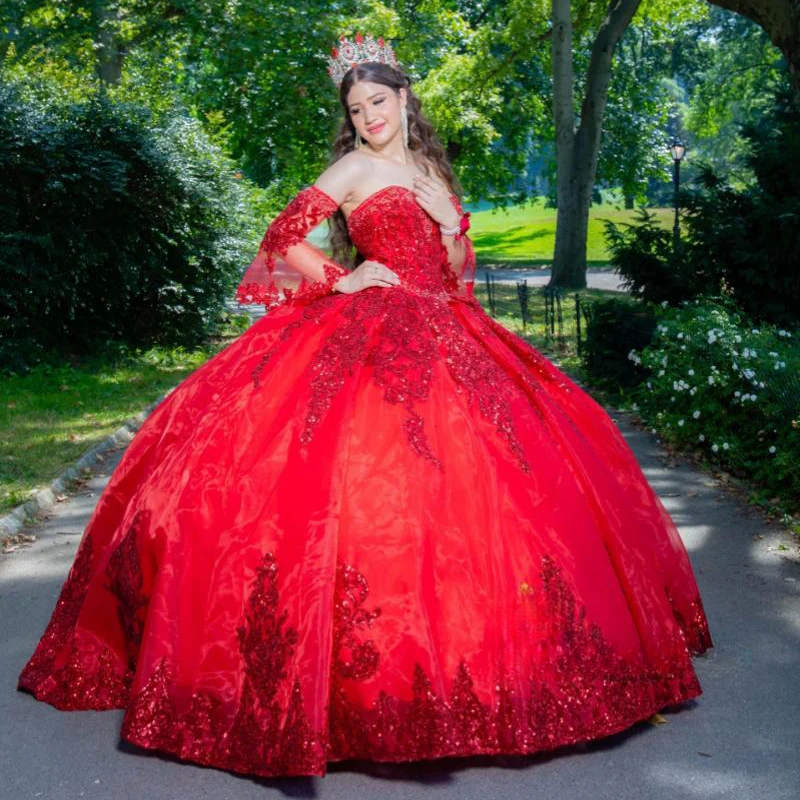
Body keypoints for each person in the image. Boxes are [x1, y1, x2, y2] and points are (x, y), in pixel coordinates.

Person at [17, 32, 713, 779]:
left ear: (404, 98)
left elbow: (451, 278)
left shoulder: (428, 170)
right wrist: (336, 278)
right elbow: (279, 236)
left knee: (499, 484)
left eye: (379, 100)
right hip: (368, 330)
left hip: (446, 332)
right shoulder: (350, 167)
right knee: (350, 481)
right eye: (357, 107)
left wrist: (449, 222)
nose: (370, 114)